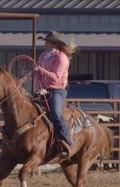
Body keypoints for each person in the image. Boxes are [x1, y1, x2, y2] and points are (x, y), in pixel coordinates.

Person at [33, 31, 77, 159]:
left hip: (57, 90)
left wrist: (40, 70)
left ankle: (67, 142)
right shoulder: (43, 56)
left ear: (53, 44)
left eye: (47, 42)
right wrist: (39, 87)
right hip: (43, 90)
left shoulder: (61, 58)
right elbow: (37, 75)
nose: (45, 44)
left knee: (56, 114)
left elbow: (56, 77)